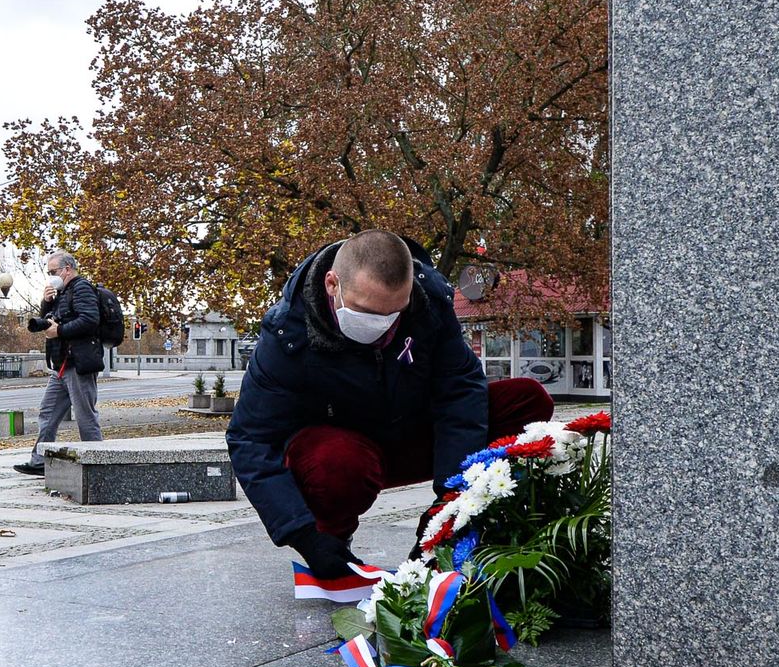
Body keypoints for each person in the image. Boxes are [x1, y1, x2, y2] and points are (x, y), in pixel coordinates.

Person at [225, 230, 553, 579]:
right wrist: (304, 534)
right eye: (367, 312)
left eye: (394, 313)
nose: (383, 327)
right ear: (332, 284)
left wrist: (451, 500)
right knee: (335, 463)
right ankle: (334, 541)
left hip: (412, 432)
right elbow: (250, 438)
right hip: (346, 454)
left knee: (526, 401)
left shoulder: (429, 303)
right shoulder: (287, 335)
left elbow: (460, 389)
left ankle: (482, 522)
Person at [15, 251, 104, 476]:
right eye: (48, 273)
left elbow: (90, 320)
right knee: (47, 411)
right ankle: (40, 461)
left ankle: (99, 464)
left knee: (85, 416)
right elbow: (50, 321)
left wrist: (60, 330)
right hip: (61, 364)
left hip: (78, 364)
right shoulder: (61, 293)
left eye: (53, 272)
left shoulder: (82, 288)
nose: (50, 276)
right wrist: (46, 303)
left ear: (67, 269)